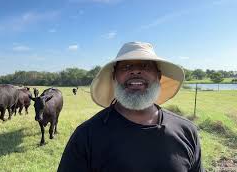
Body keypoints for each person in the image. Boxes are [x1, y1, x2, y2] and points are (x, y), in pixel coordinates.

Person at [58, 42, 203, 172]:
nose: (135, 71)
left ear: (158, 76)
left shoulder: (187, 131)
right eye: (126, 66)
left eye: (145, 65)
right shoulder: (86, 136)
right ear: (114, 77)